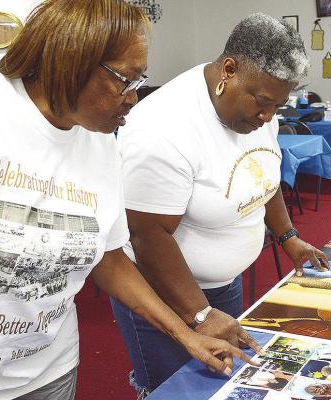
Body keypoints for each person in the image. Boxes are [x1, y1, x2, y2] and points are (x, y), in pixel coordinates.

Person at [0, 1, 259, 399]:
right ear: (69, 60)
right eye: (125, 80)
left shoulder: (99, 141)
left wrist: (186, 333)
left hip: (51, 368)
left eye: (140, 81)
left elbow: (109, 257)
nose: (133, 98)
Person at [111, 12, 329, 397]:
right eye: (262, 103)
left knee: (225, 385)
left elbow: (265, 175)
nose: (267, 118)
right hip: (165, 295)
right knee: (177, 390)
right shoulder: (162, 127)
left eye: (275, 108)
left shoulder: (260, 109)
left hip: (222, 286)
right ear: (229, 69)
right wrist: (199, 313)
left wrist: (288, 236)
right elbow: (147, 235)